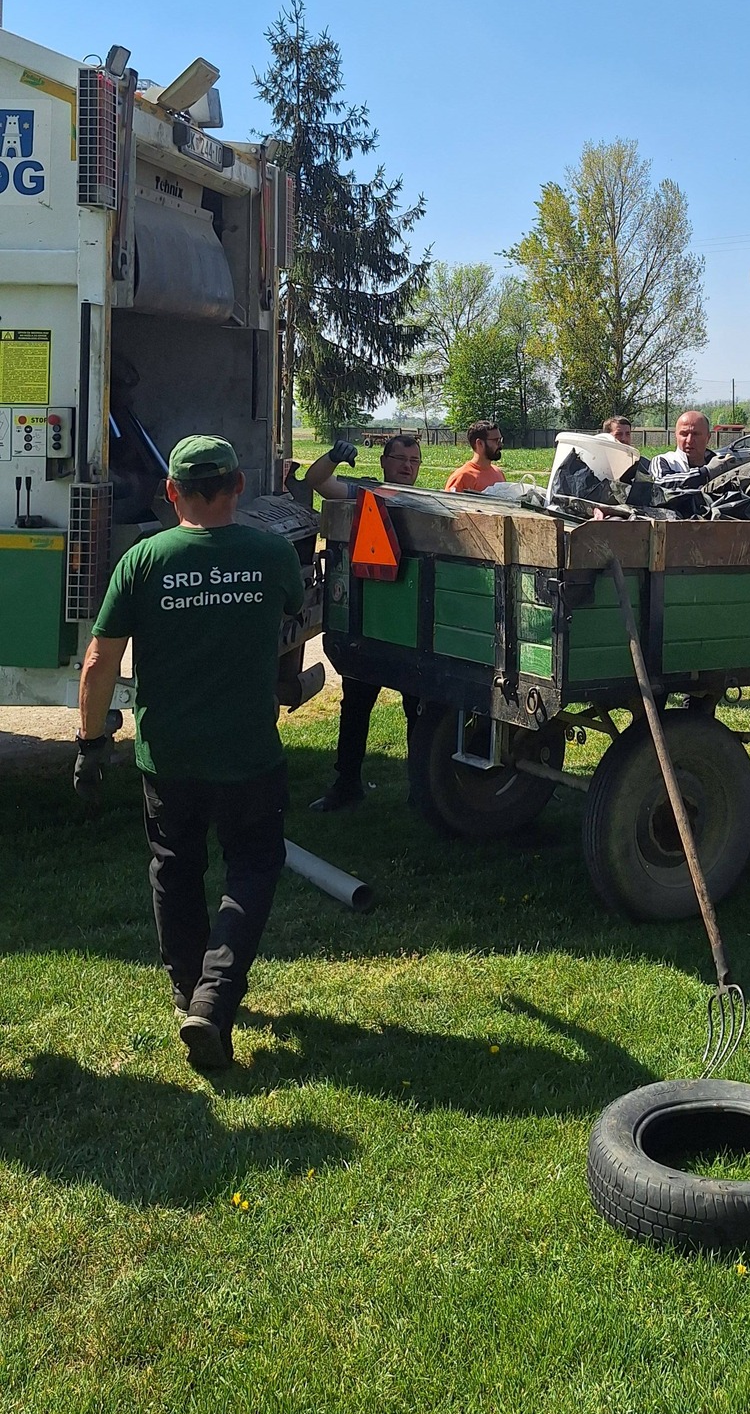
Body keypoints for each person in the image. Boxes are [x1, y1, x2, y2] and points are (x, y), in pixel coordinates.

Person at [75, 436, 305, 1072]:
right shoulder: (270, 552)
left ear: (172, 492)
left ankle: (190, 994)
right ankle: (215, 997)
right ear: (237, 486)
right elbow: (295, 615)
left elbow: (99, 662)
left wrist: (91, 744)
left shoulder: (143, 560)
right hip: (249, 754)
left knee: (175, 871)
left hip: (168, 758)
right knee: (254, 866)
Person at [301, 433, 423, 813]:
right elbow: (316, 482)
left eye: (414, 460)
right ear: (384, 461)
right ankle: (346, 784)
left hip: (412, 625)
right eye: (400, 458)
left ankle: (421, 791)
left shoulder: (428, 504)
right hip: (368, 622)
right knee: (355, 703)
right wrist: (332, 458)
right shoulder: (362, 493)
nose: (406, 465)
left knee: (417, 709)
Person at [649, 411, 714, 482]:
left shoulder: (721, 465)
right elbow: (659, 482)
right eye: (684, 434)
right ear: (676, 436)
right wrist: (706, 472)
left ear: (708, 437)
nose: (689, 440)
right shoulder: (663, 461)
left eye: (696, 434)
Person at [444, 421, 506, 493]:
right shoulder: (461, 477)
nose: (500, 444)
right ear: (479, 443)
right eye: (495, 440)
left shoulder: (498, 472)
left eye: (500, 439)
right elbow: (450, 503)